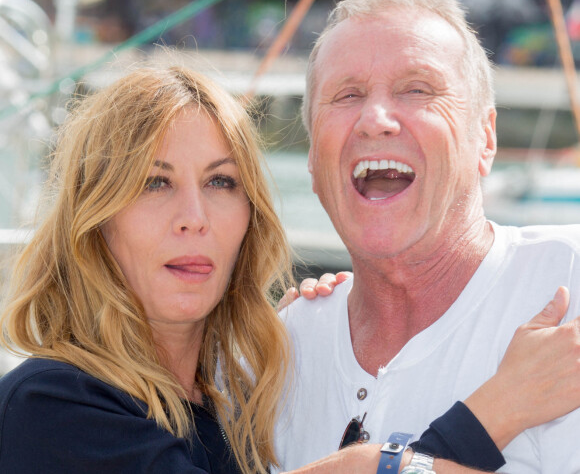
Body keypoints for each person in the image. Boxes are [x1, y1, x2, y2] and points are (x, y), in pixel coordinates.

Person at [0, 65, 577, 474]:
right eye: (156, 183)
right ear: (96, 216)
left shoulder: (235, 398)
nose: (193, 218)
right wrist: (498, 408)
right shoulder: (50, 407)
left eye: (221, 182)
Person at [275, 0, 580, 474]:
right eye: (347, 95)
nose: (375, 119)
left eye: (417, 90)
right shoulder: (276, 352)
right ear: (313, 159)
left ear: (486, 137)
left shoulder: (570, 282)